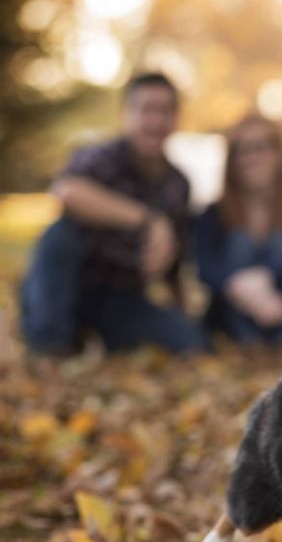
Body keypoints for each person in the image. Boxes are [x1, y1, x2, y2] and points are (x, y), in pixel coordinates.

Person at [21, 72, 206, 355]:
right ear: (126, 114)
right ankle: (50, 342)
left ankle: (88, 338)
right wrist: (148, 219)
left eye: (165, 111)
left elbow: (174, 263)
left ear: (176, 117)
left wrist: (182, 316)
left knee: (188, 340)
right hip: (71, 283)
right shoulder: (101, 157)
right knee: (59, 236)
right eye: (146, 110)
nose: (156, 121)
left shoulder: (178, 183)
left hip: (121, 295)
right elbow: (67, 192)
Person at [194, 114, 282, 351]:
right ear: (231, 160)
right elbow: (204, 267)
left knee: (280, 245)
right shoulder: (212, 214)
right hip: (232, 318)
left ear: (279, 155)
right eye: (242, 150)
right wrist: (239, 287)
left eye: (261, 148)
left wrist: (264, 277)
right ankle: (249, 345)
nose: (251, 158)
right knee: (239, 243)